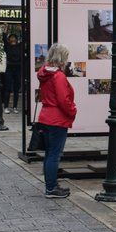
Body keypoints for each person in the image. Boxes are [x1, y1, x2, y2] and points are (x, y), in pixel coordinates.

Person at [37, 43, 76, 198]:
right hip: (56, 119)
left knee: (49, 154)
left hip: (45, 116)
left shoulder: (45, 72)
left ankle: (51, 185)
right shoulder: (58, 76)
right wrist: (73, 111)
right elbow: (63, 100)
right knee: (54, 154)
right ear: (62, 58)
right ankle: (52, 188)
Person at [4, 33, 23, 114]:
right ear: (9, 39)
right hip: (9, 68)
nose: (12, 38)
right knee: (8, 88)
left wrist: (21, 30)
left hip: (18, 68)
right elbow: (4, 40)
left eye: (13, 37)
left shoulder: (19, 46)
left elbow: (25, 38)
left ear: (16, 39)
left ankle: (15, 107)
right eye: (11, 37)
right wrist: (5, 31)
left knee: (16, 89)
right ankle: (6, 107)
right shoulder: (8, 46)